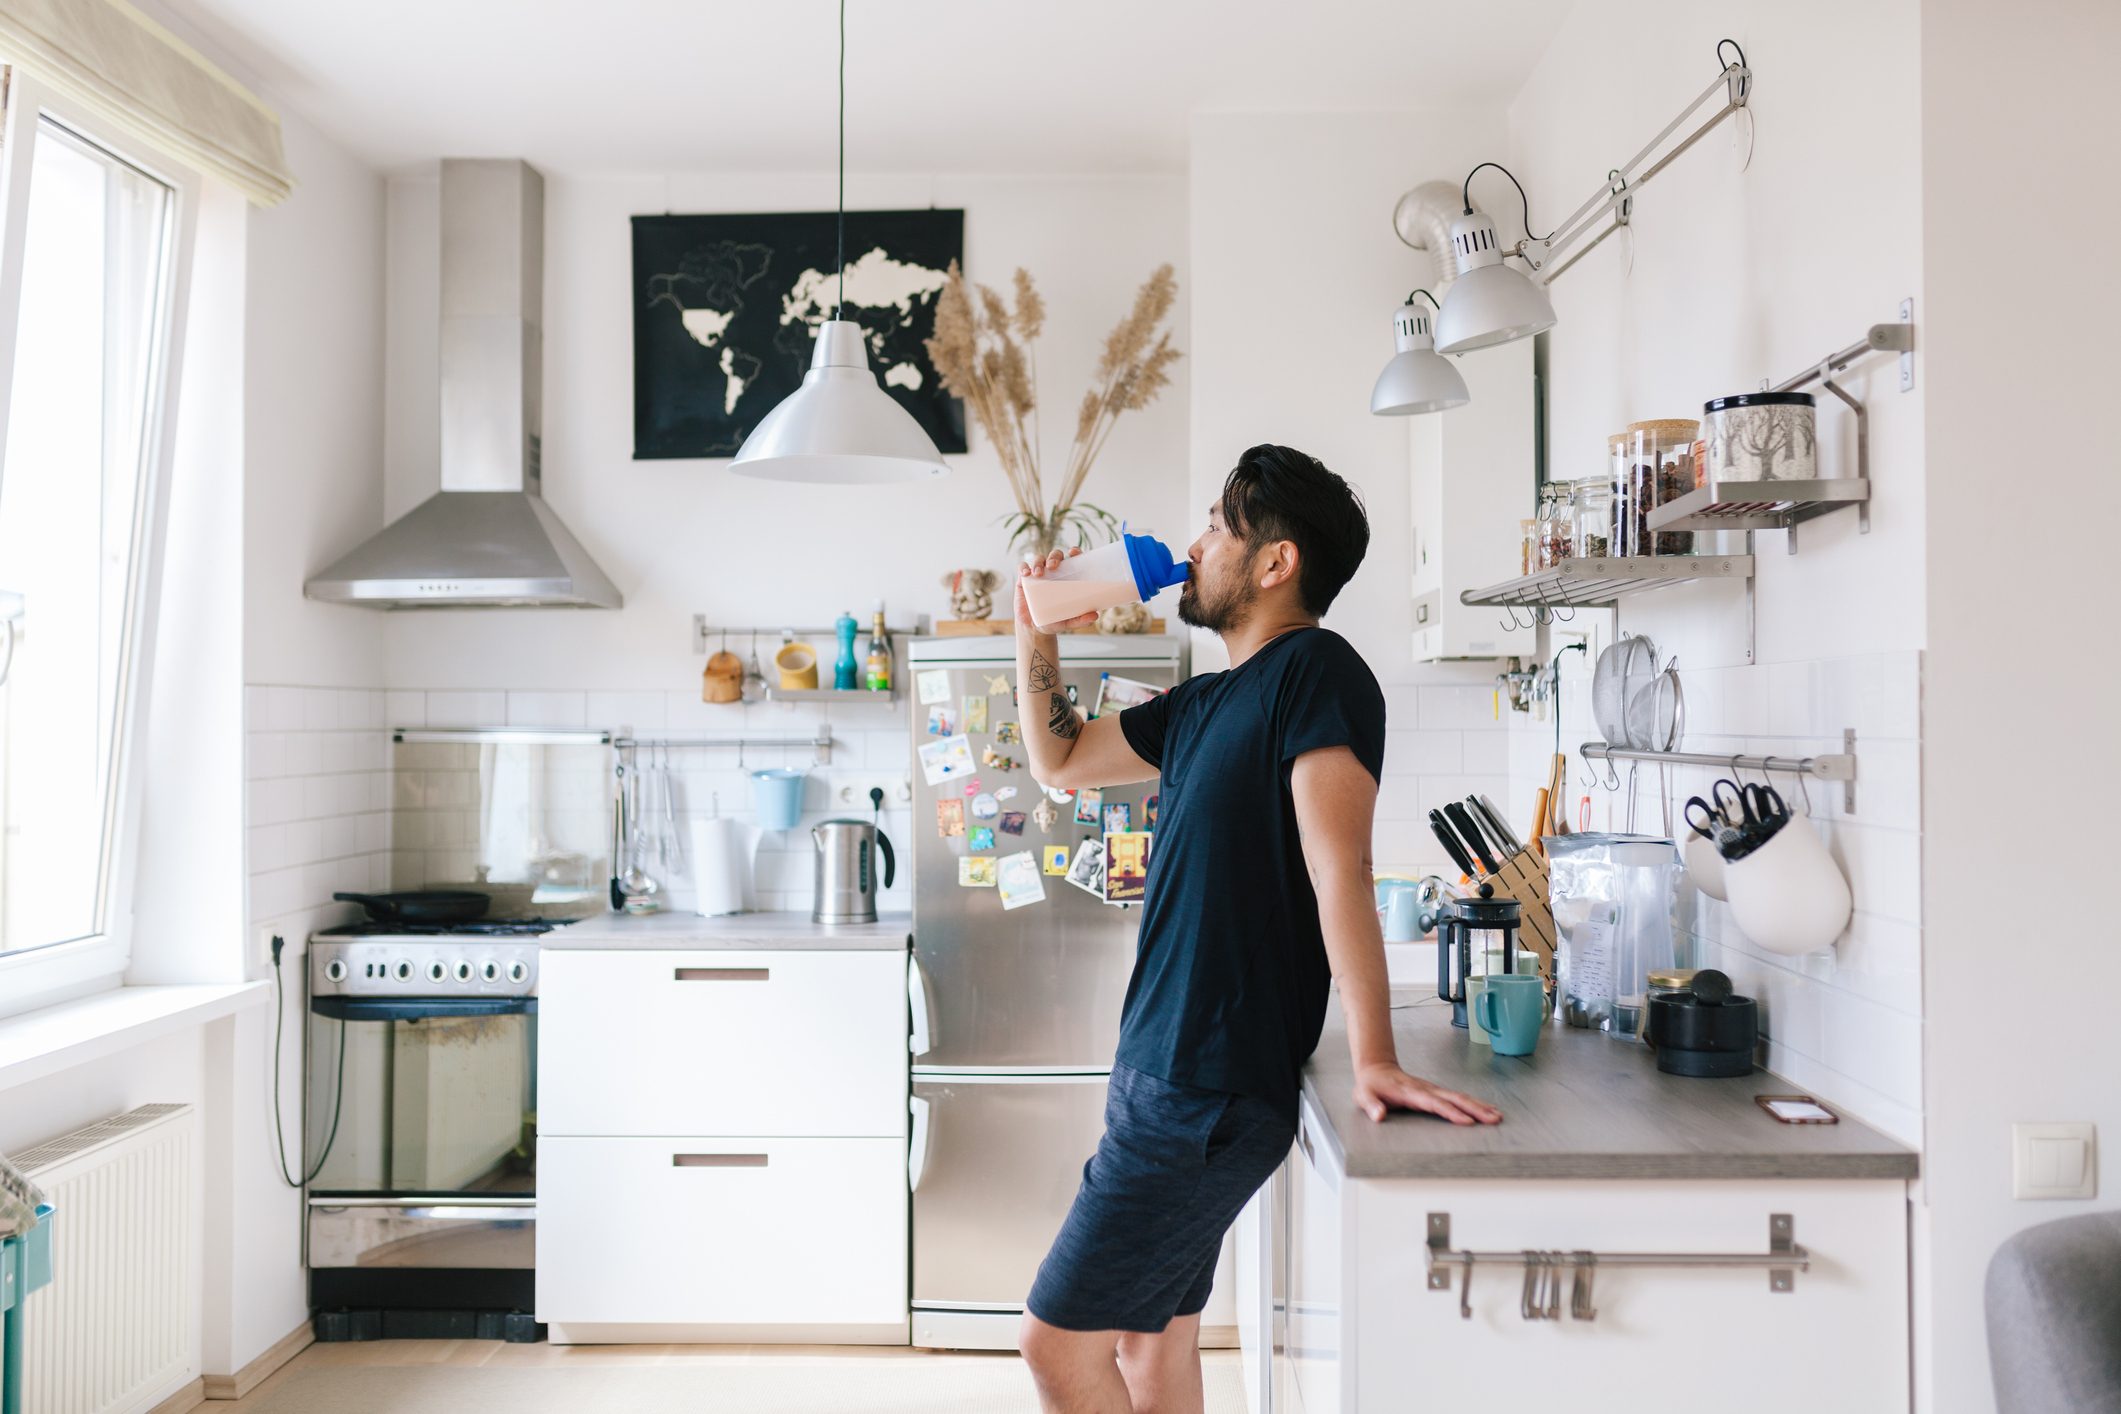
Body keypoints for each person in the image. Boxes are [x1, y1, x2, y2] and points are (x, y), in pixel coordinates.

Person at [1012, 444, 1503, 1414]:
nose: (1192, 546)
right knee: (1153, 1347)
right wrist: (1033, 626)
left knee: (1054, 1344)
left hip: (1203, 1086)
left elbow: (1341, 865)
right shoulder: (1205, 701)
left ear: (1276, 562)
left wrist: (1375, 1055)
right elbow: (1059, 761)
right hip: (1163, 1073)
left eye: (1216, 527)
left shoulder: (1315, 672)